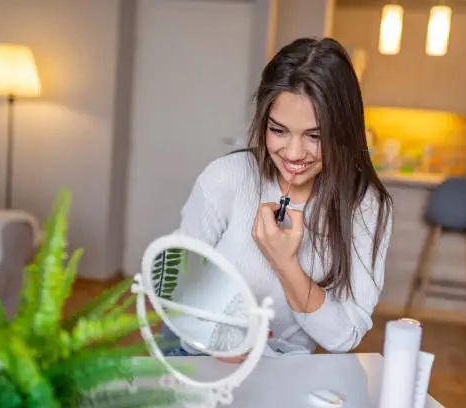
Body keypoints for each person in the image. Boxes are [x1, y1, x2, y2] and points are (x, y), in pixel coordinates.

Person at [165, 37, 393, 362]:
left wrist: (285, 264)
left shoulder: (365, 206)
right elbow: (175, 279)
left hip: (287, 376)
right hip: (205, 363)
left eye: (315, 136)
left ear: (344, 130)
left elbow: (344, 336)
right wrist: (227, 342)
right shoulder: (227, 178)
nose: (294, 154)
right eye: (279, 130)